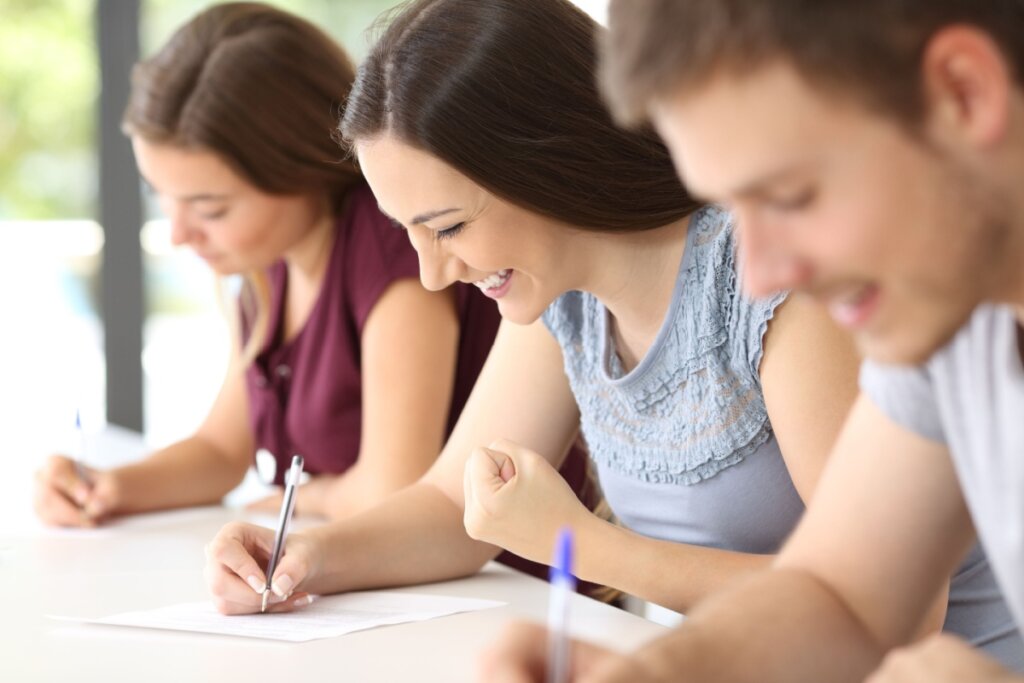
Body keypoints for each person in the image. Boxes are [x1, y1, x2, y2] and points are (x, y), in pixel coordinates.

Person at [203, 0, 989, 645]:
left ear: (544, 163)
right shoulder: (560, 297)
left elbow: (884, 607)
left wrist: (584, 543)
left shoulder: (795, 286)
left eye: (447, 227)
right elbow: (455, 509)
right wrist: (302, 557)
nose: (433, 273)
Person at [482, 1, 1024, 681]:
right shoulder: (949, 309)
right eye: (732, 207)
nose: (760, 272)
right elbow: (841, 593)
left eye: (791, 195)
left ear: (964, 94)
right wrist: (653, 673)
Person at [29, 2, 520, 529]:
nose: (178, 234)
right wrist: (107, 486)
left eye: (210, 208)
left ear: (299, 166)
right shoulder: (270, 266)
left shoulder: (392, 247)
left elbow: (391, 489)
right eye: (163, 199)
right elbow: (221, 451)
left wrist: (308, 498)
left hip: (504, 581)